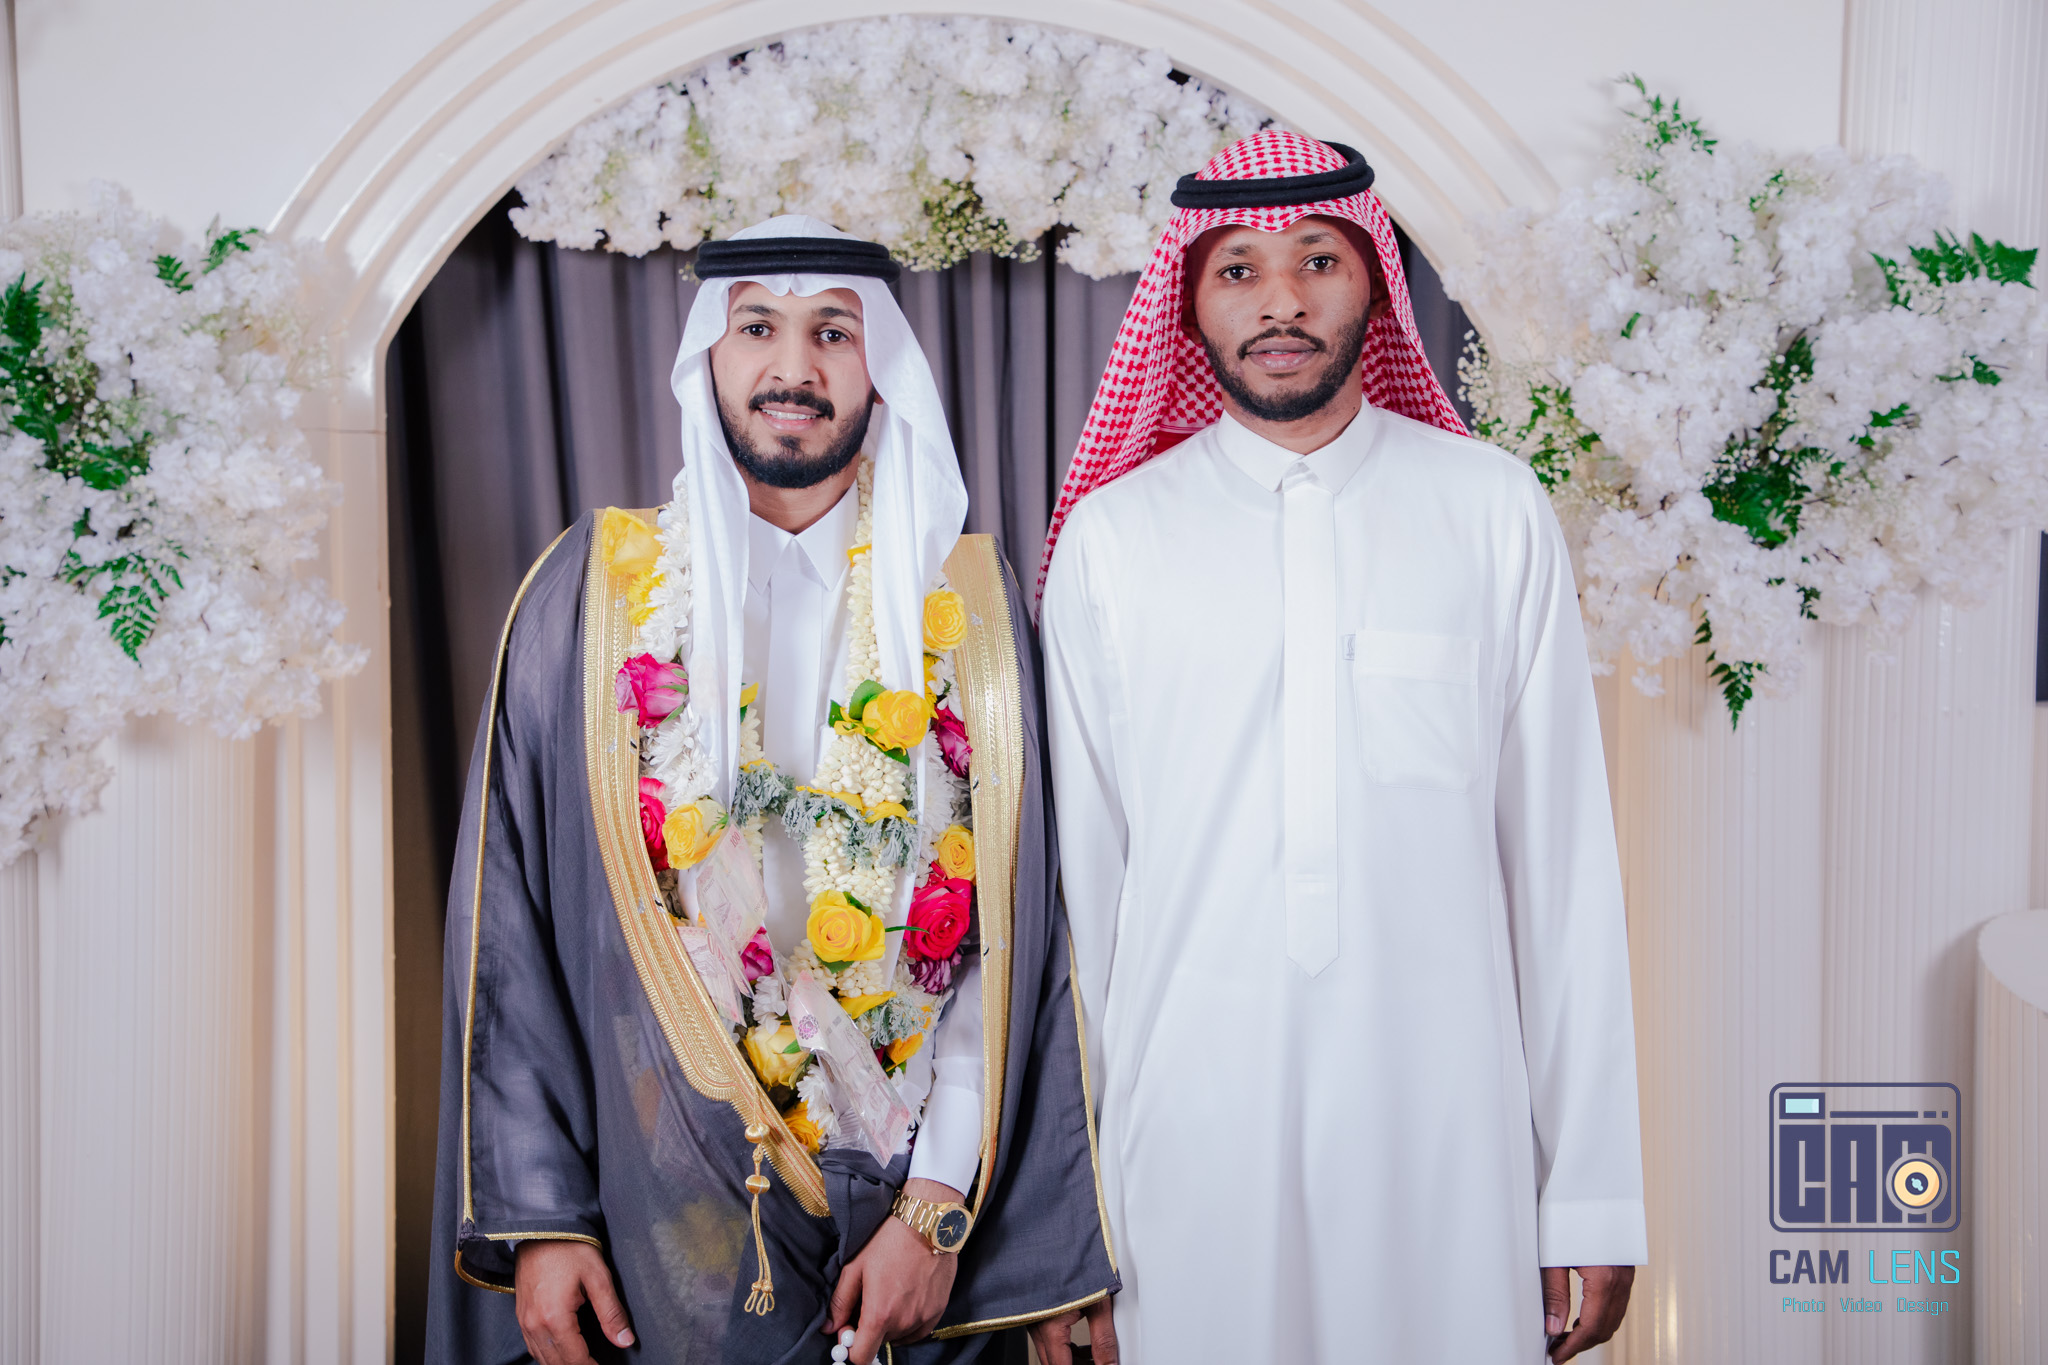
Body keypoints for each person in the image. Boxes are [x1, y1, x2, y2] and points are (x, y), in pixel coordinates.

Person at [426, 216, 1117, 1365]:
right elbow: (511, 924)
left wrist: (935, 1210)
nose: (792, 366)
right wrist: (545, 1218)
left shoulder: (972, 609)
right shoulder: (593, 596)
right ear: (708, 350)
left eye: (831, 332)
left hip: (919, 1226)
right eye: (757, 328)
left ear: (879, 363)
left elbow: (1020, 938)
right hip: (661, 1219)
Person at [1033, 131, 1646, 1364]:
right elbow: (1083, 908)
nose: (1281, 301)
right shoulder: (1113, 539)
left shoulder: (1489, 510)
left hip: (1447, 1133)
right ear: (1188, 304)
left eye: (1317, 259)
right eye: (1238, 270)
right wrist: (1067, 1234)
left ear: (1373, 280)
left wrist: (1588, 1193)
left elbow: (1560, 874)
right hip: (1186, 1138)